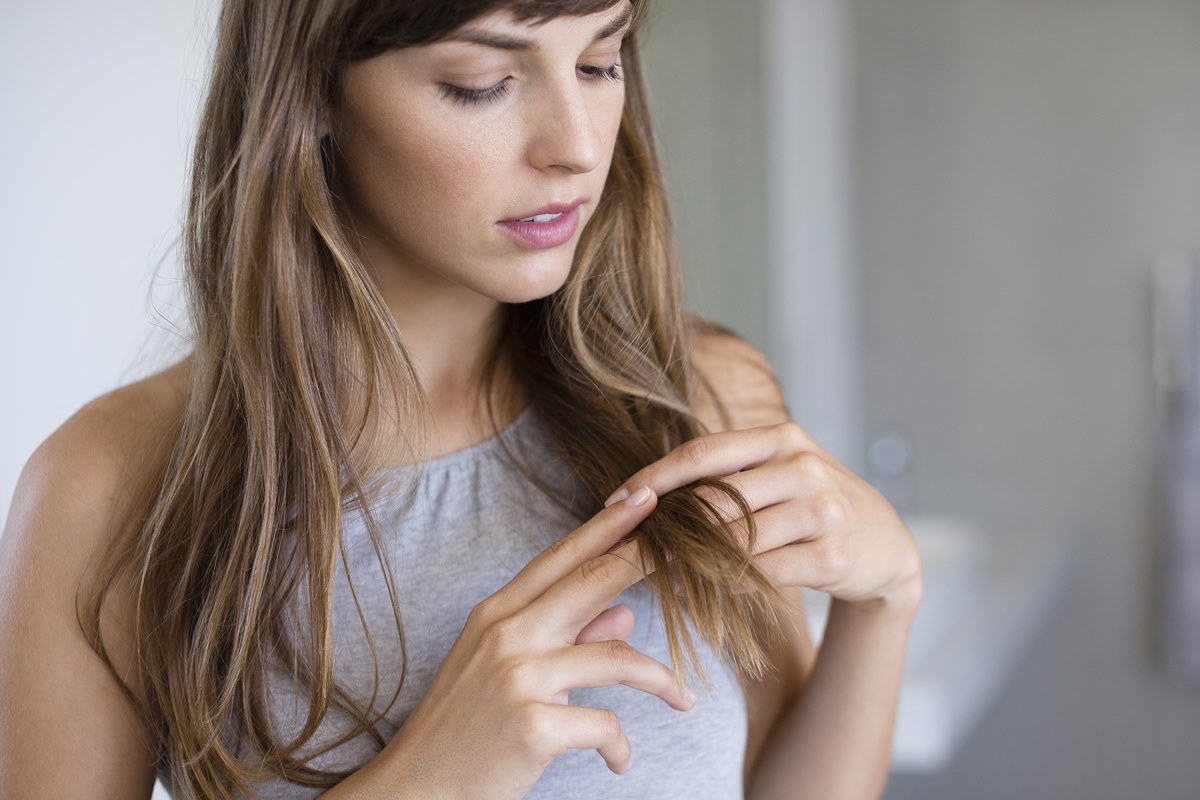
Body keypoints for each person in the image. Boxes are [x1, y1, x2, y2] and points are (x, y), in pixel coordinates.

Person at [0, 0, 922, 797]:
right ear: (310, 89)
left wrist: (885, 604)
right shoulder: (108, 491)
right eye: (483, 82)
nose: (577, 147)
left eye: (601, 61)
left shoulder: (699, 395)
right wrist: (430, 777)